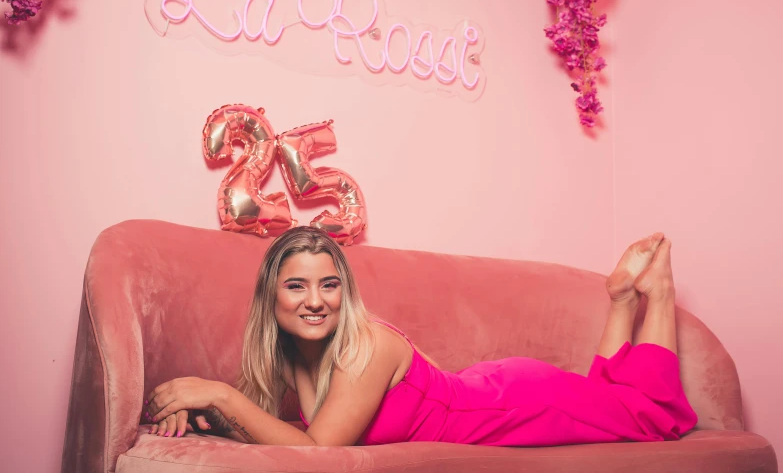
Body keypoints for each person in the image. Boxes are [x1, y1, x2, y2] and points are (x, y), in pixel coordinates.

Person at [144, 227, 697, 446]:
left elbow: (317, 454)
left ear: (345, 292)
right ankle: (624, 301)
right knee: (613, 402)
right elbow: (259, 425)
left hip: (515, 407)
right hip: (483, 388)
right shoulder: (288, 356)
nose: (315, 300)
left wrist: (214, 394)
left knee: (653, 415)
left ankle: (657, 292)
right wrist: (191, 413)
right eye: (296, 286)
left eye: (330, 284)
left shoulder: (367, 345)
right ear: (272, 298)